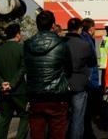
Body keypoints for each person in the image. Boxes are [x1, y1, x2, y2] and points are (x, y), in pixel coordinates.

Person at [24, 10, 72, 139]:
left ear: (37, 25)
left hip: (35, 96)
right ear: (53, 25)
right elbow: (69, 69)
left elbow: (26, 67)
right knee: (57, 133)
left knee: (37, 133)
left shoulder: (27, 45)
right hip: (57, 96)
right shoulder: (62, 44)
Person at [0, 23, 28, 139]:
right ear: (18, 35)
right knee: (25, 115)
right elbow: (23, 69)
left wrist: (2, 83)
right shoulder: (22, 49)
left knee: (3, 120)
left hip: (3, 92)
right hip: (19, 91)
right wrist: (12, 84)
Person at [65, 19, 97, 139]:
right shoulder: (85, 45)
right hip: (80, 85)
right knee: (78, 118)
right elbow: (92, 63)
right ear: (80, 29)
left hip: (63, 85)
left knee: (65, 117)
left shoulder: (61, 43)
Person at [79, 19, 100, 139]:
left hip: (82, 77)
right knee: (86, 109)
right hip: (89, 78)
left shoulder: (81, 37)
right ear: (91, 28)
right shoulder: (87, 39)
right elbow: (92, 60)